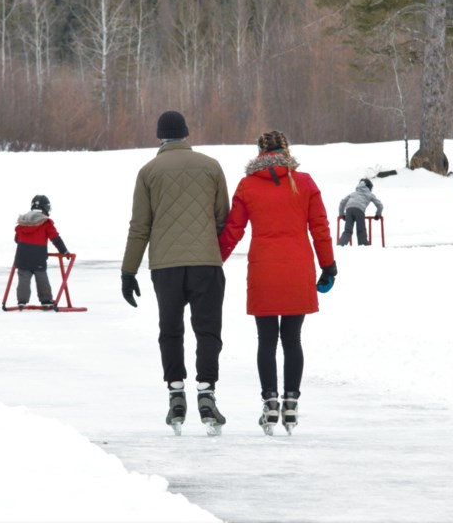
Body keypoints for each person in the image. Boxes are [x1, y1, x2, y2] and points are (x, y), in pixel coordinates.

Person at [218, 131, 336, 435]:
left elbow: (234, 229)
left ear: (259, 152)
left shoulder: (247, 185)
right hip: (297, 268)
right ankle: (292, 403)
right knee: (293, 338)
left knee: (267, 340)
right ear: (286, 151)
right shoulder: (304, 182)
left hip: (264, 270)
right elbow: (320, 228)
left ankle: (270, 401)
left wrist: (215, 258)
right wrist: (328, 265)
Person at [121, 110, 231, 435]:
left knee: (171, 330)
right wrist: (213, 254)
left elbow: (140, 226)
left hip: (165, 267)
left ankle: (175, 393)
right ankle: (207, 390)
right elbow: (223, 217)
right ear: (186, 133)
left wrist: (129, 271)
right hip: (205, 265)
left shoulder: (148, 171)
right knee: (207, 330)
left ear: (160, 137)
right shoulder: (211, 166)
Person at [14, 194, 70, 309]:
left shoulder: (22, 222)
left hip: (22, 255)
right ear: (46, 208)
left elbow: (17, 239)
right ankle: (46, 300)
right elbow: (55, 238)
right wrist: (64, 251)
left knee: (23, 277)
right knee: (41, 277)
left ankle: (21, 300)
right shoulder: (46, 223)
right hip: (38, 256)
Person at [336, 178, 383, 246]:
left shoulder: (353, 193)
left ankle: (340, 245)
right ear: (370, 187)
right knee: (361, 230)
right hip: (359, 210)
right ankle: (363, 245)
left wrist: (342, 214)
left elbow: (342, 202)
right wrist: (378, 214)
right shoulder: (370, 194)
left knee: (347, 231)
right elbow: (380, 205)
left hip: (349, 209)